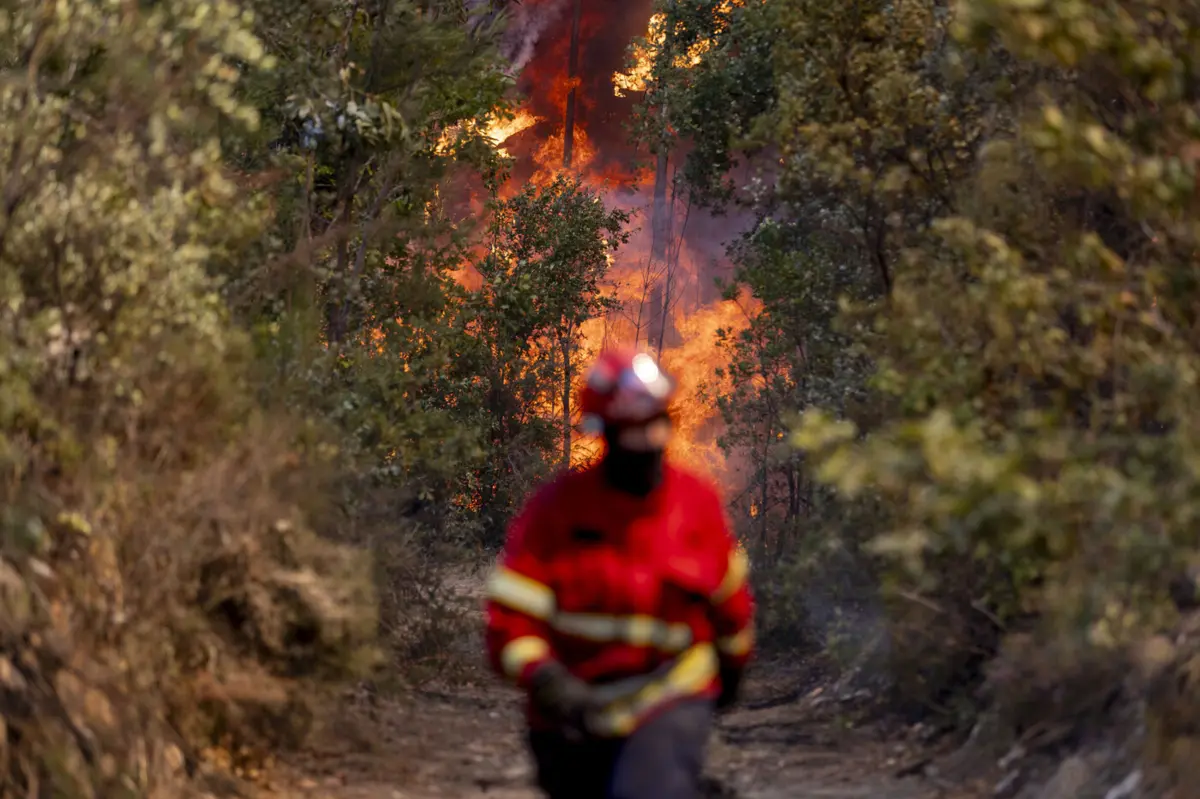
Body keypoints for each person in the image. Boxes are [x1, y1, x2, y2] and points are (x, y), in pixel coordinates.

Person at [484, 349, 755, 799]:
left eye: (656, 426)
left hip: (667, 695)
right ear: (604, 433)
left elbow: (731, 607)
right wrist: (547, 679)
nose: (647, 442)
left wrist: (732, 671)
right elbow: (511, 619)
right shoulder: (557, 511)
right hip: (570, 707)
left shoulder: (694, 505)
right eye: (632, 432)